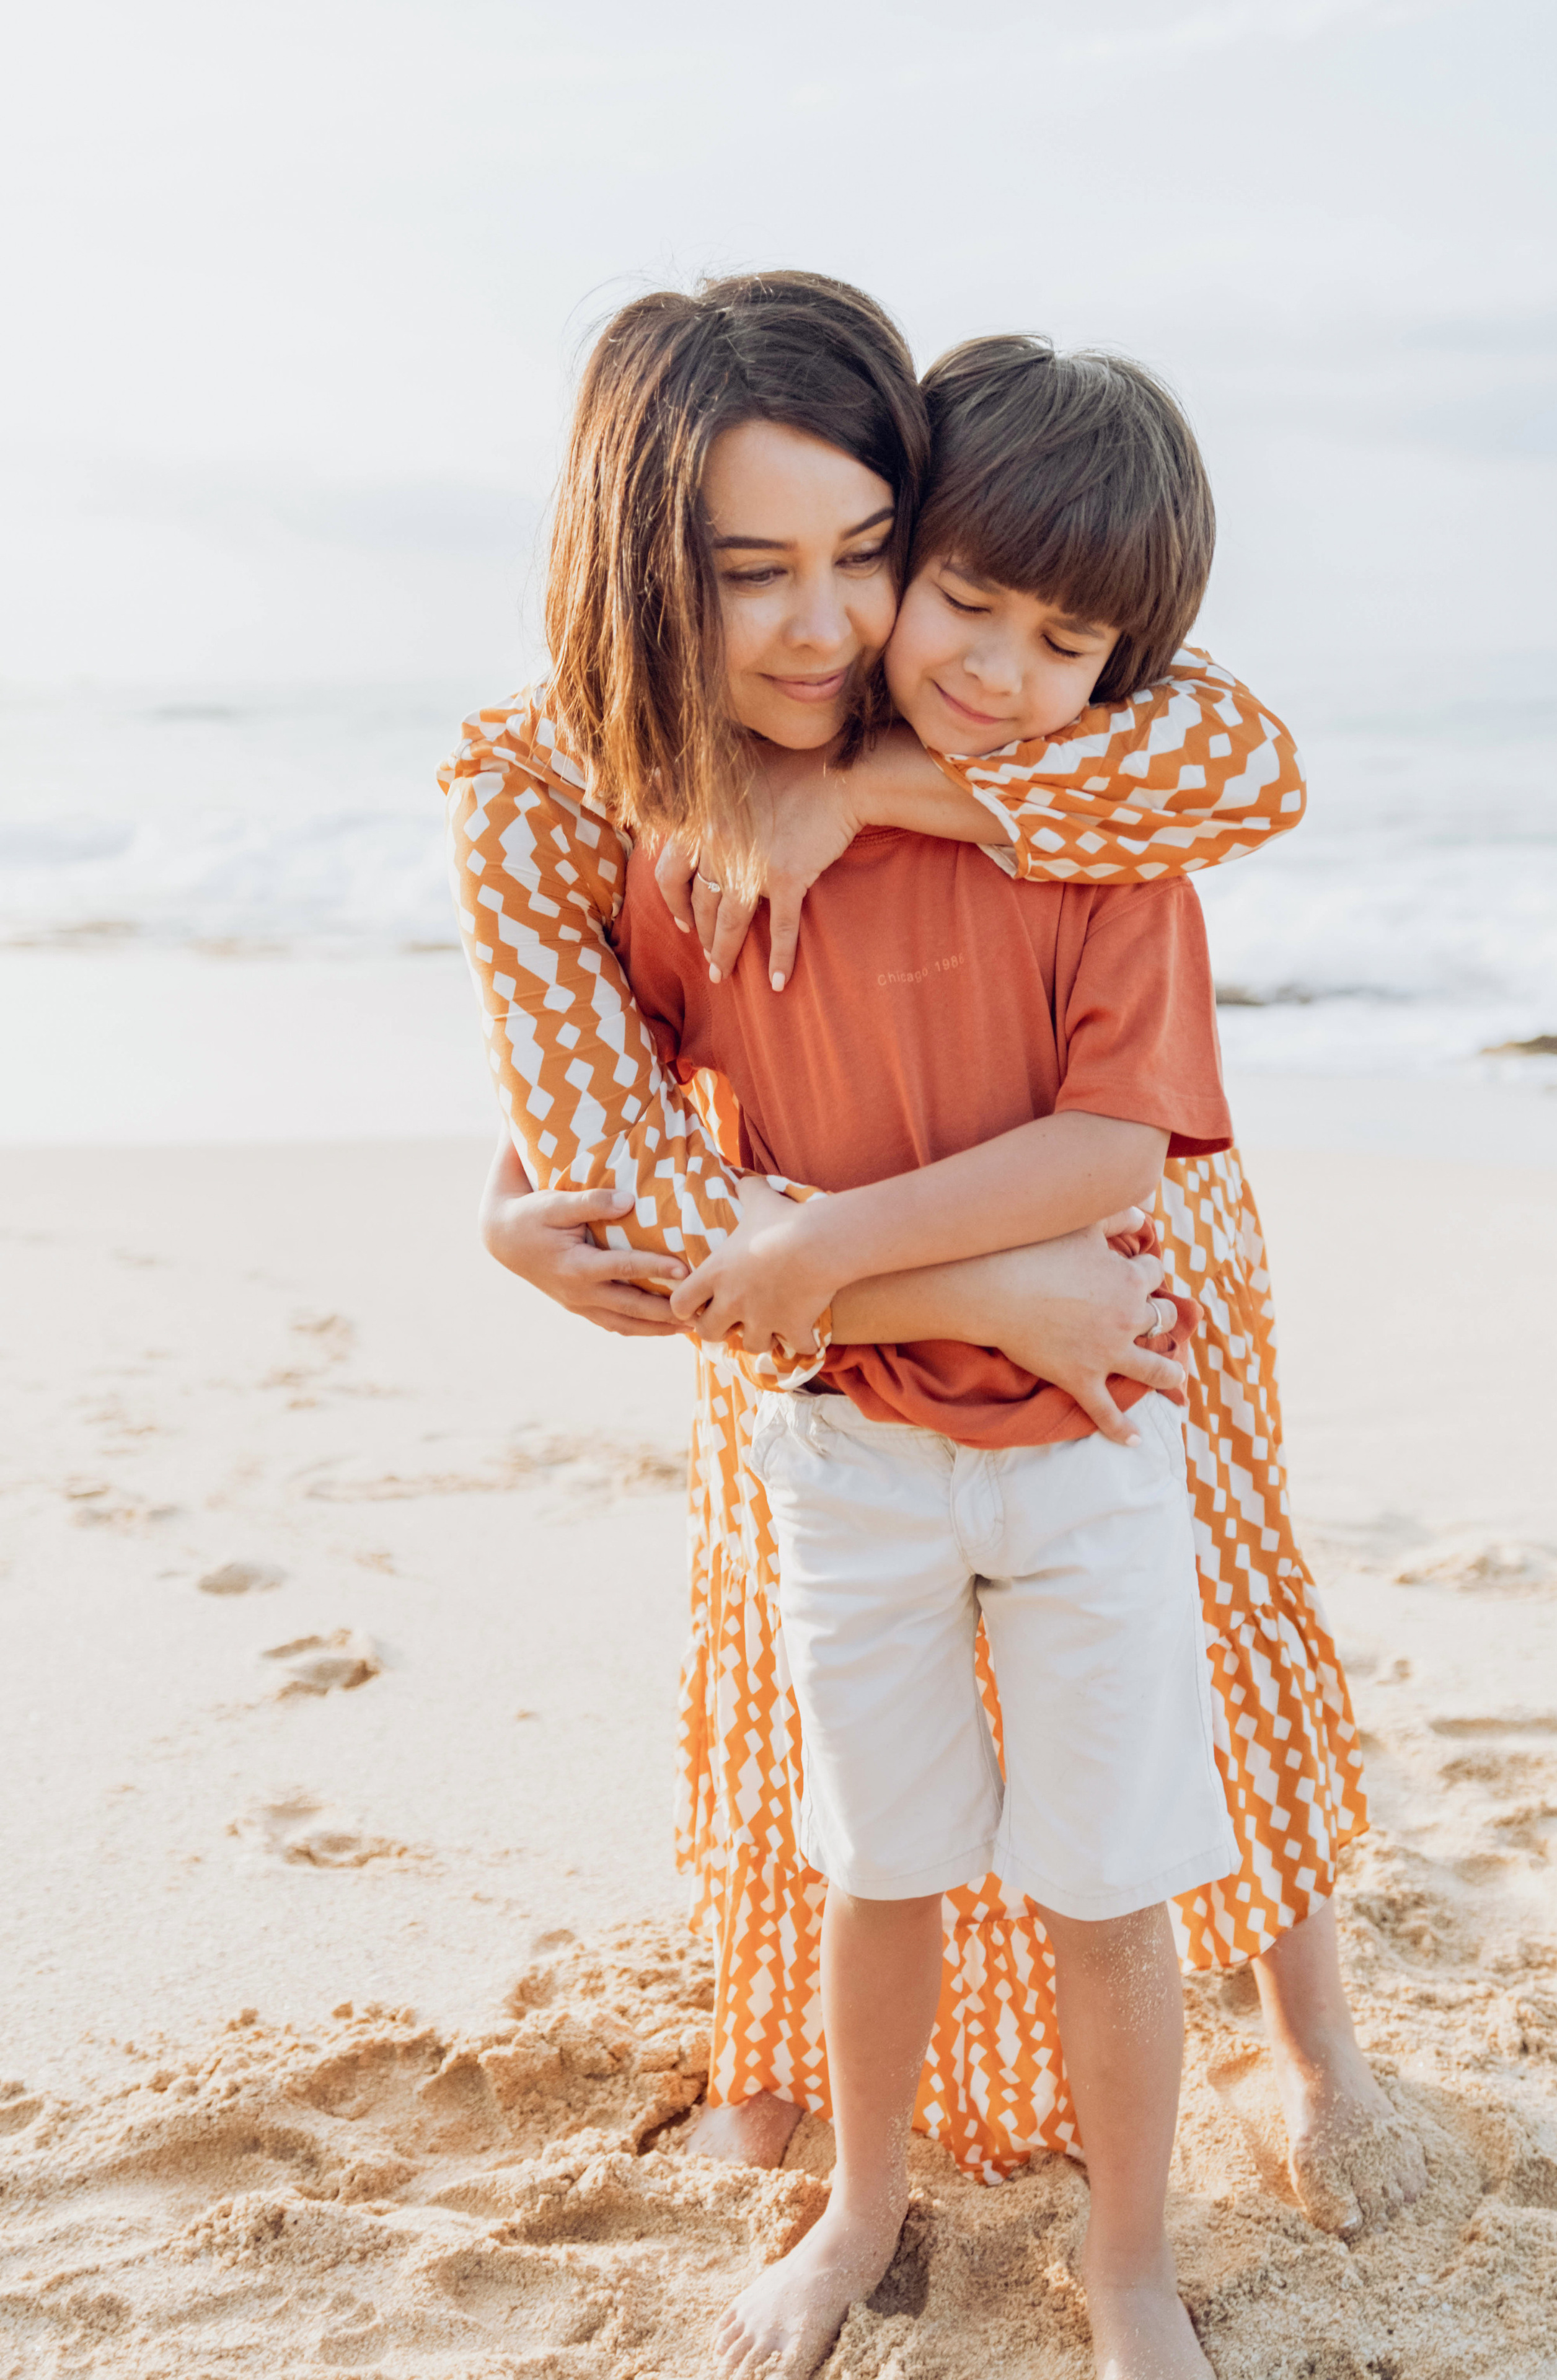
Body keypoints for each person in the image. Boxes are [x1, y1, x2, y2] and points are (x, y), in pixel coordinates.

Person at [443, 271, 1421, 2253]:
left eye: (868, 555)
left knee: (1209, 1607)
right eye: (751, 572)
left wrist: (870, 784)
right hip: (818, 1276)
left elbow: (1241, 765)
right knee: (804, 1663)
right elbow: (628, 1152)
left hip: (1117, 1241)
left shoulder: (959, 698)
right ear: (643, 569)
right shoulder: (544, 793)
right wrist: (964, 1289)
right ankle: (779, 2059)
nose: (828, 623)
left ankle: (1314, 2036)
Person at [612, 337, 1246, 2380]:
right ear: (911, 563)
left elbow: (1111, 1144)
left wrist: (826, 1242)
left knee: (1104, 1881)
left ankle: (1129, 2264)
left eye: (1067, 644)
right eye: (965, 599)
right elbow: (616, 1106)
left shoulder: (1102, 847)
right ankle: (861, 2203)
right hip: (851, 1453)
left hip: (1087, 1448)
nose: (995, 666)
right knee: (880, 1867)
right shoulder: (722, 836)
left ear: (1120, 672)